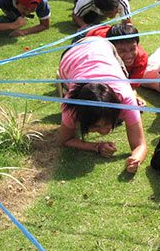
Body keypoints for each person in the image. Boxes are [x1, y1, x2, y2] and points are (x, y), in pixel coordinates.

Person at [58, 36, 147, 173]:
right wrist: (96, 146)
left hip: (104, 46)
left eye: (107, 123)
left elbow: (140, 145)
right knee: (67, 85)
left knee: (124, 76)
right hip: (72, 53)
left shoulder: (126, 100)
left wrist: (136, 158)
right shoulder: (71, 105)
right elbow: (64, 140)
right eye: (95, 126)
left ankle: (133, 93)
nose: (105, 131)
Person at [84, 23, 148, 90]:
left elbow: (131, 87)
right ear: (111, 48)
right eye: (122, 51)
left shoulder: (141, 58)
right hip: (88, 33)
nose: (129, 55)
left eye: (133, 49)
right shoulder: (99, 52)